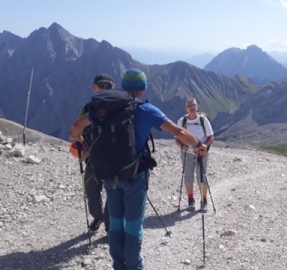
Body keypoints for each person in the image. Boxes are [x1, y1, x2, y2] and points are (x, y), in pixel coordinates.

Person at [70, 69, 207, 270]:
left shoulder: (103, 108)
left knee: (116, 225)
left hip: (108, 174)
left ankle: (119, 265)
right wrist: (198, 144)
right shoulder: (145, 109)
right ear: (142, 89)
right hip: (135, 176)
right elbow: (178, 132)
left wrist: (78, 141)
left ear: (123, 86)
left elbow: (76, 126)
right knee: (133, 226)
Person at [80, 73, 114, 233]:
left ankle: (109, 223)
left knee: (112, 191)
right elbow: (81, 128)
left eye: (108, 86)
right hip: (93, 157)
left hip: (114, 158)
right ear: (94, 88)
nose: (105, 89)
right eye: (102, 85)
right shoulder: (88, 108)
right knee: (91, 189)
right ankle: (98, 216)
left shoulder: (118, 107)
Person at [175, 98, 214, 212]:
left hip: (201, 153)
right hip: (186, 153)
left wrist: (205, 146)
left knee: (201, 177)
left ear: (197, 107)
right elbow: (177, 139)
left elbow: (211, 138)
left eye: (193, 105)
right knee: (188, 177)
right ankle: (191, 201)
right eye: (189, 105)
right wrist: (182, 146)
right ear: (186, 108)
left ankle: (204, 201)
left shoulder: (203, 120)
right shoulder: (181, 121)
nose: (191, 107)